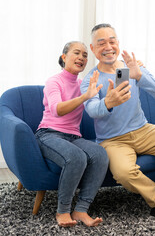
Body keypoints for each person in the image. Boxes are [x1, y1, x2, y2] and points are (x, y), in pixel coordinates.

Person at [80, 23, 155, 228]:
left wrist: (140, 75)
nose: (108, 47)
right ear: (93, 49)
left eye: (112, 41)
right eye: (101, 43)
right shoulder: (90, 79)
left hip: (143, 130)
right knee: (124, 173)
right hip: (112, 140)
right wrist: (108, 103)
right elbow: (91, 109)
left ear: (118, 44)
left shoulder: (131, 68)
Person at [35, 41, 109, 227]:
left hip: (73, 136)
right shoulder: (54, 81)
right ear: (64, 57)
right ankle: (63, 211)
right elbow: (57, 110)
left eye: (85, 55)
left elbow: (97, 107)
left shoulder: (85, 84)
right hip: (48, 134)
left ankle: (81, 210)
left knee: (100, 154)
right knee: (76, 157)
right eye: (77, 53)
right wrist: (85, 96)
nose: (82, 58)